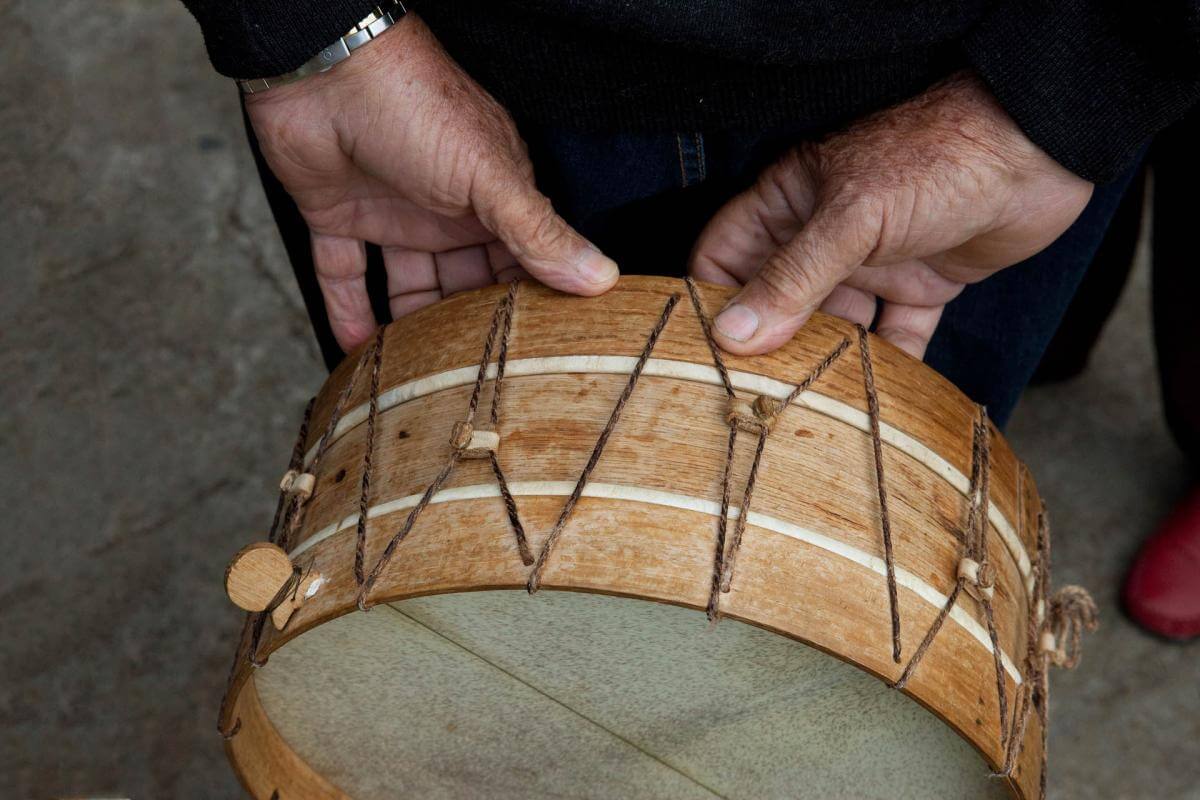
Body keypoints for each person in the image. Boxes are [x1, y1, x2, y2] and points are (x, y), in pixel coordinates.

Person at [178, 1, 1199, 431]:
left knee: (857, 589)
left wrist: (1078, 76)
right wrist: (311, 29)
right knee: (465, 558)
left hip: (977, 87)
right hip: (417, 87)